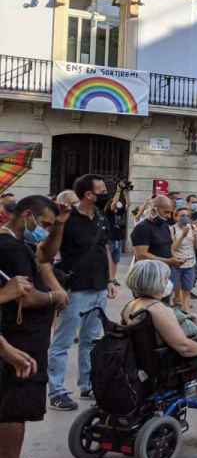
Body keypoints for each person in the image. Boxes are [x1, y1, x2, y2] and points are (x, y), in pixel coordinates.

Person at [0, 196, 68, 458]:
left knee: (15, 404)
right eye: (44, 224)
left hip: (25, 338)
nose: (45, 229)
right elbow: (23, 297)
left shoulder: (19, 242)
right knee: (16, 404)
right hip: (19, 339)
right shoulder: (9, 247)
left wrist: (58, 228)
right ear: (27, 215)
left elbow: (44, 256)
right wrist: (53, 297)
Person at [47, 174, 119, 412]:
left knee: (91, 340)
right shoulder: (67, 219)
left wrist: (110, 280)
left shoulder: (99, 217)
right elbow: (50, 252)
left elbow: (105, 249)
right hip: (75, 289)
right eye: (100, 190)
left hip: (98, 288)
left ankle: (86, 384)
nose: (104, 194)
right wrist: (59, 224)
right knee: (63, 342)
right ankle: (57, 391)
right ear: (88, 195)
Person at [121, 260, 197, 356]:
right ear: (155, 282)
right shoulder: (158, 309)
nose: (169, 283)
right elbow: (185, 348)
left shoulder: (130, 305)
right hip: (167, 364)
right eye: (166, 279)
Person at [131, 195, 182, 282]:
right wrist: (168, 261)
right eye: (166, 212)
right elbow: (141, 255)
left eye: (170, 212)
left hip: (164, 274)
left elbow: (168, 246)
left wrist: (175, 258)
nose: (169, 216)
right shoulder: (142, 227)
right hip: (147, 277)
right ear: (154, 209)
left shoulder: (165, 225)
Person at [169, 207, 197, 312]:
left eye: (187, 216)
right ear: (176, 217)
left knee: (187, 288)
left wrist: (196, 236)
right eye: (182, 215)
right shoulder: (172, 229)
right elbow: (173, 248)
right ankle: (177, 302)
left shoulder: (192, 227)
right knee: (174, 287)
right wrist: (183, 235)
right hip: (177, 263)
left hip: (190, 263)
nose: (185, 218)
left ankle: (185, 310)